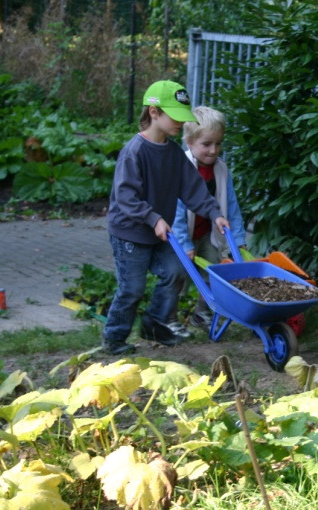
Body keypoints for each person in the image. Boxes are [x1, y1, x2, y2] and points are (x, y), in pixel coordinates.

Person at [102, 80, 229, 355]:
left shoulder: (172, 152)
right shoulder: (134, 151)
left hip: (161, 232)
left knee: (175, 272)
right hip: (130, 233)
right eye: (176, 117)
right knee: (132, 288)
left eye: (185, 118)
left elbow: (192, 188)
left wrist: (214, 213)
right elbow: (125, 197)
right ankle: (114, 338)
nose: (181, 124)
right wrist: (153, 218)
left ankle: (154, 324)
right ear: (154, 112)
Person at [172, 106, 248, 328]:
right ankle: (168, 317)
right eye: (206, 144)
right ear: (189, 142)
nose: (214, 150)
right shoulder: (182, 167)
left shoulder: (221, 169)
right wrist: (184, 242)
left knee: (214, 272)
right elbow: (175, 210)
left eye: (218, 143)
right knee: (176, 276)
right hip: (182, 233)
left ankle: (201, 313)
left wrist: (239, 237)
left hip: (207, 233)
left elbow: (230, 205)